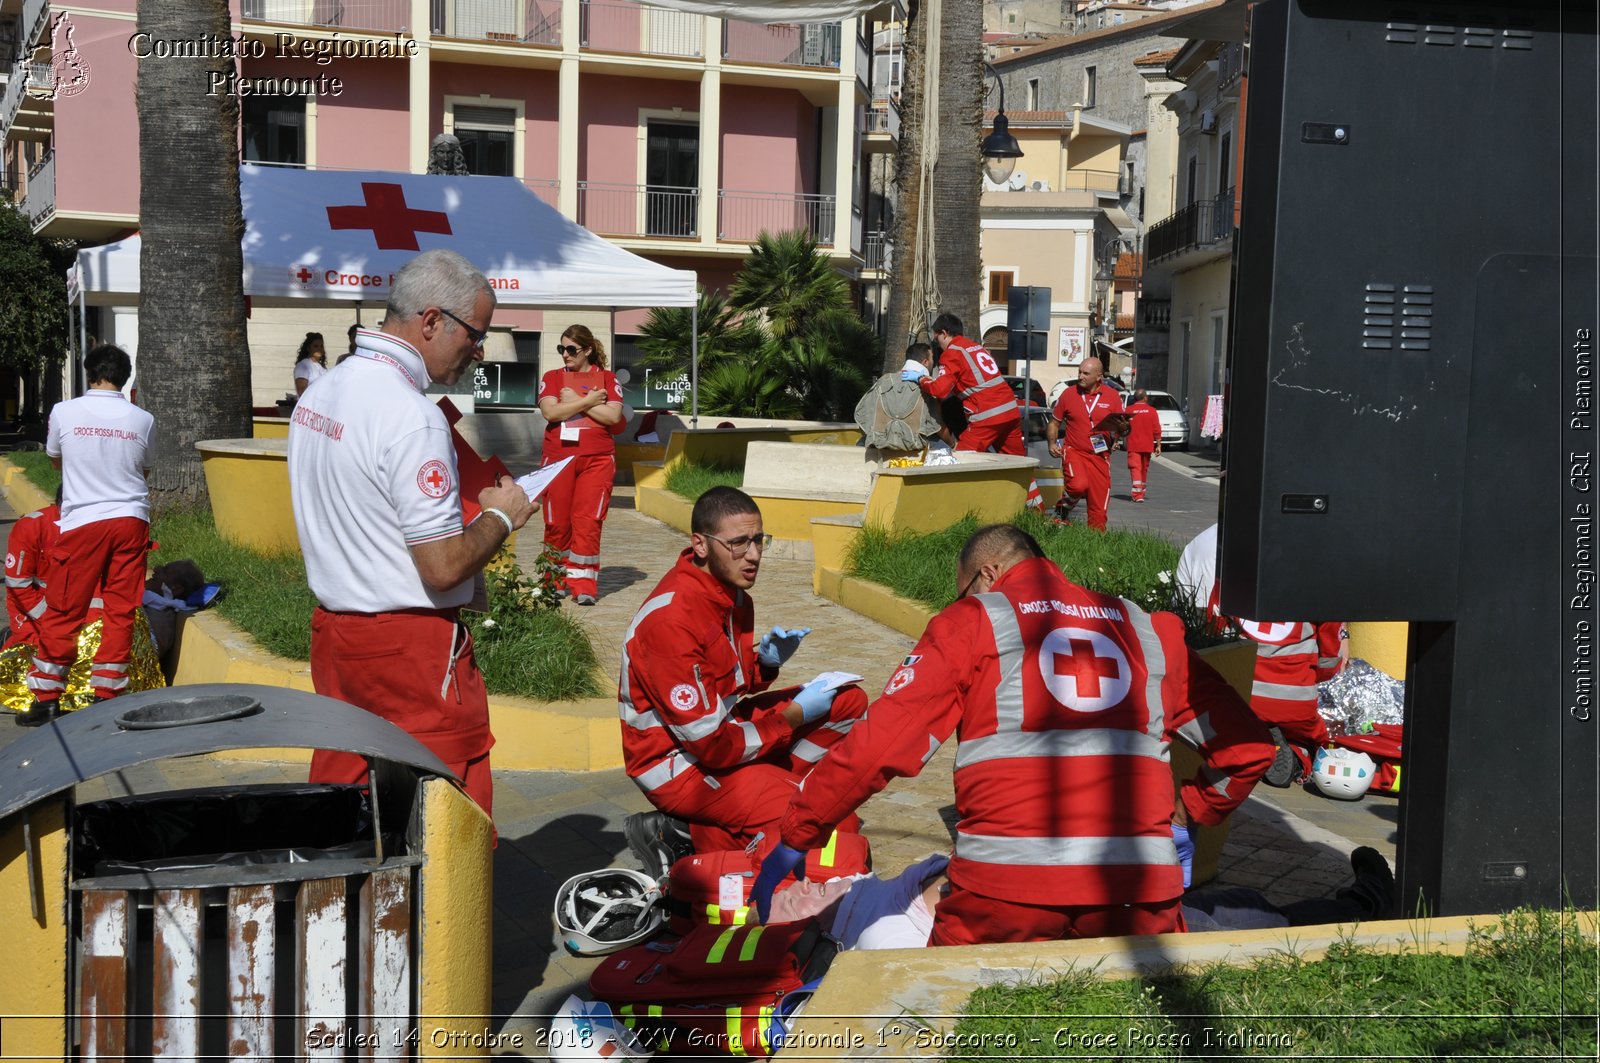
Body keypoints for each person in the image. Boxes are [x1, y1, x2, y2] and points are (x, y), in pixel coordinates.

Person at [752, 523, 1276, 944]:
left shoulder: (971, 623)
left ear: (987, 573)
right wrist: (1193, 811)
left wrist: (799, 834)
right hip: (1135, 890)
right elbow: (1249, 751)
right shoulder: (1148, 630)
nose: (961, 601)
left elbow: (877, 748)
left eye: (961, 592)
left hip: (1005, 892)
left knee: (962, 1026)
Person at [288, 248, 538, 816]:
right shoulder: (411, 414)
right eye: (476, 334)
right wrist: (500, 516)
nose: (480, 350)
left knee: (344, 801)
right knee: (447, 814)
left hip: (337, 632)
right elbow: (443, 565)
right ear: (430, 321)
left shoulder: (324, 390)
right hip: (410, 649)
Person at [618, 487, 870, 855]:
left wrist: (765, 663)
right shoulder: (671, 620)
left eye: (758, 540)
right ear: (700, 545)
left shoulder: (730, 595)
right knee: (824, 819)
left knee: (848, 702)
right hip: (679, 766)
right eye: (738, 543)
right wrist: (792, 717)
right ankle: (696, 841)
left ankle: (762, 802)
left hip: (719, 734)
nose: (753, 555)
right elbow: (712, 746)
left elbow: (726, 683)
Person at [24, 344, 154, 725]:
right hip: (131, 520)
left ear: (88, 373)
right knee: (120, 608)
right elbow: (144, 468)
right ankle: (108, 694)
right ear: (125, 377)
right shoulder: (142, 418)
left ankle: (47, 696)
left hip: (83, 521)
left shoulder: (64, 412)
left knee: (65, 606)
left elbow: (54, 459)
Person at [1174, 523, 1343, 786]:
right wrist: (1317, 676)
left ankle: (1251, 736)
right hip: (1296, 698)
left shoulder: (1235, 565)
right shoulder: (1321, 570)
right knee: (1313, 735)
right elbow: (1330, 651)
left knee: (1225, 716)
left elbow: (1213, 627)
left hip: (1243, 690)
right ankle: (1298, 753)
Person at [537, 325, 627, 605]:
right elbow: (551, 411)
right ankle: (553, 579)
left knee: (588, 521)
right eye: (561, 349)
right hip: (558, 459)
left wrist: (576, 401)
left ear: (587, 350)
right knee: (557, 522)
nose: (565, 354)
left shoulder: (608, 379)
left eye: (571, 349)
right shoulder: (551, 378)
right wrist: (590, 401)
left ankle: (583, 583)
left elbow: (612, 418)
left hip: (597, 460)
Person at [918, 313, 1023, 455]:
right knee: (1018, 464)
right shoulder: (977, 347)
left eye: (937, 339)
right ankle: (1029, 479)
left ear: (944, 333)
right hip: (1010, 410)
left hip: (987, 415)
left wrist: (922, 380)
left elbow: (939, 390)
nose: (938, 344)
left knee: (963, 460)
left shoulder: (952, 353)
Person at [1046, 356, 1125, 531]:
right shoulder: (1069, 394)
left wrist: (1122, 431)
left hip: (1100, 455)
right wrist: (1052, 443)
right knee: (1077, 485)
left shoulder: (1112, 397)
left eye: (1085, 373)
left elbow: (1124, 428)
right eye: (1079, 372)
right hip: (1074, 450)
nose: (1081, 376)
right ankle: (1061, 511)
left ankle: (1095, 542)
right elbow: (1054, 422)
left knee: (1099, 506)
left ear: (1099, 376)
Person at [3, 491, 61, 652]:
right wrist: (53, 620)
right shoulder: (31, 527)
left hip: (75, 613)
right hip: (32, 610)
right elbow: (18, 588)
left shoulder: (95, 528)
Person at [1122, 388, 1162, 503]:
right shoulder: (1152, 410)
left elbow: (1122, 427)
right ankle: (1141, 491)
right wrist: (1158, 445)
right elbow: (1156, 428)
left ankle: (1137, 494)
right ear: (1145, 398)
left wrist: (1115, 440)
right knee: (1144, 469)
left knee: (1135, 468)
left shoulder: (1128, 410)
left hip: (1134, 445)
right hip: (1147, 445)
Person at [293, 332, 327, 396]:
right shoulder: (303, 365)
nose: (319, 349)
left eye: (321, 346)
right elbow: (301, 391)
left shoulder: (323, 368)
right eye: (316, 346)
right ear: (308, 348)